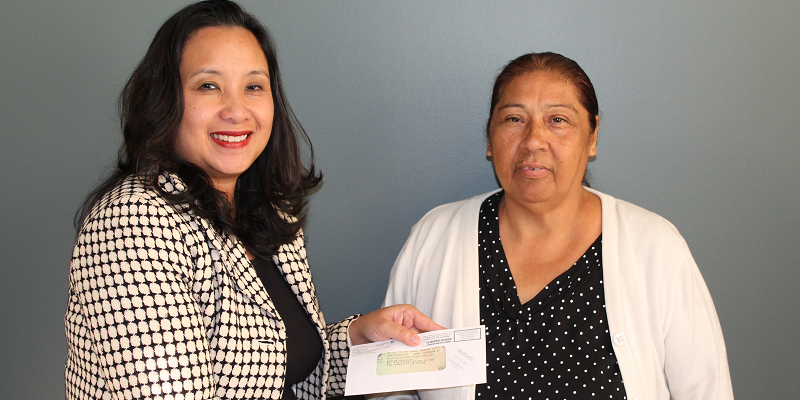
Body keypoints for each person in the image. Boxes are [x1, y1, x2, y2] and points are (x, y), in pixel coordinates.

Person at [65, 1, 441, 399]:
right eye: (208, 86)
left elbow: (278, 369)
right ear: (164, 101)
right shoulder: (132, 223)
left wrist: (357, 339)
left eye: (253, 87)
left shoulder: (267, 209)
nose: (236, 111)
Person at [378, 52, 733, 399]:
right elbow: (390, 387)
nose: (533, 140)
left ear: (592, 136)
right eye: (514, 119)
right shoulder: (435, 238)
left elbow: (706, 390)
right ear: (489, 138)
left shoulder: (655, 247)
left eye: (558, 120)